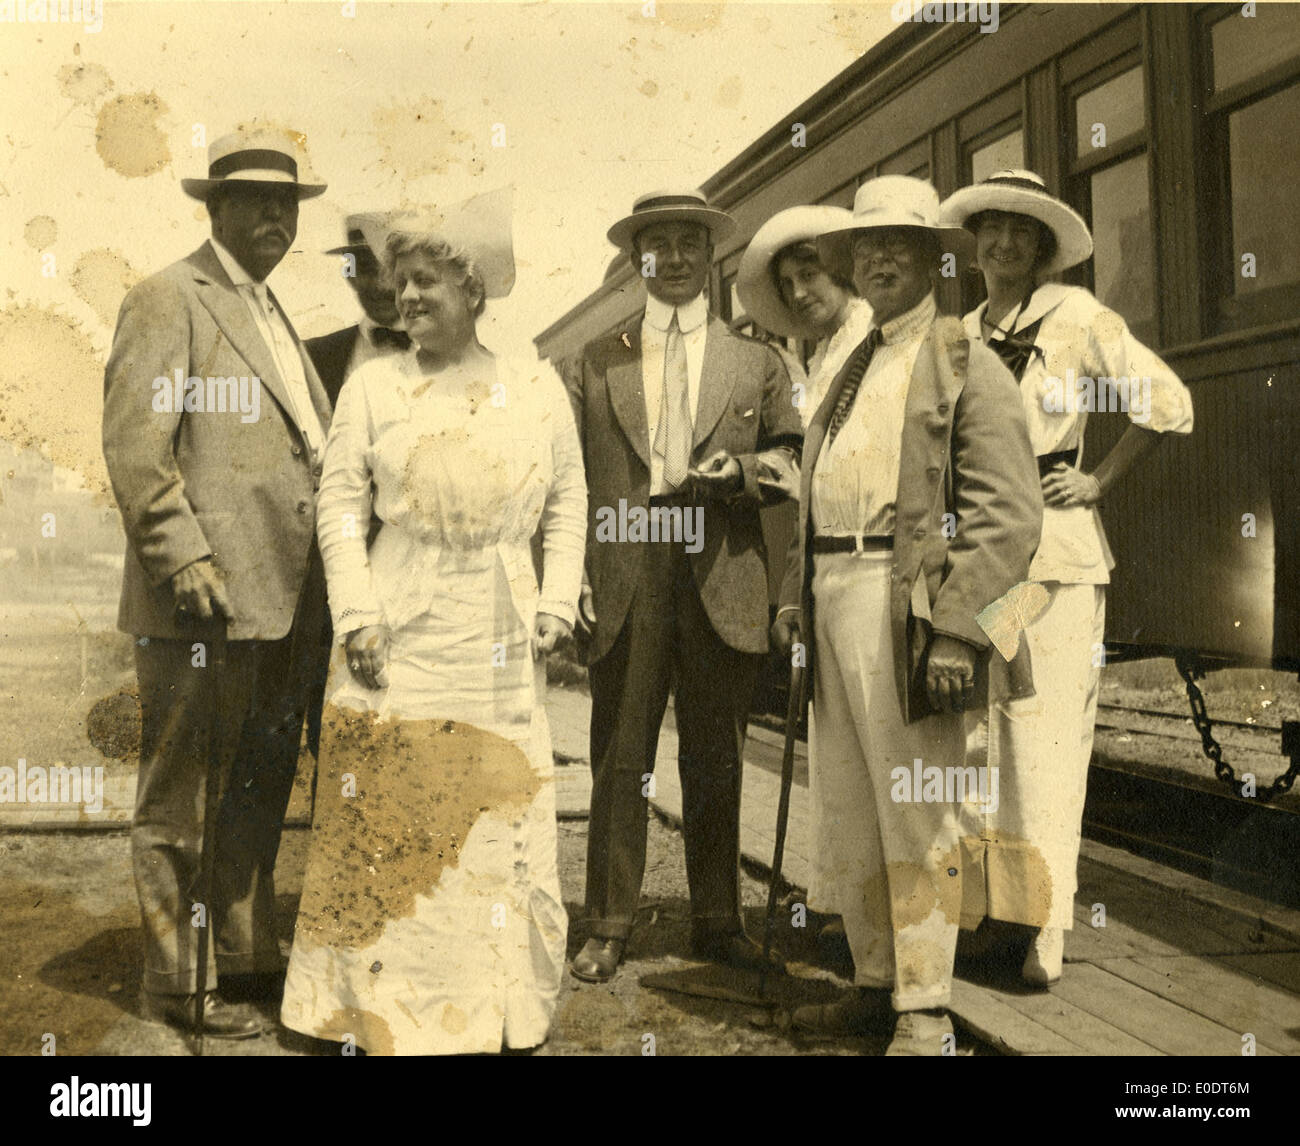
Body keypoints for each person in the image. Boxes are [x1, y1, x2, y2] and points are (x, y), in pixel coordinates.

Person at [279, 186, 587, 1055]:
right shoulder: (376, 387)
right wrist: (359, 619)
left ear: (475, 291)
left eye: (425, 283)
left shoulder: (533, 385)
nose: (406, 297)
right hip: (399, 627)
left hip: (497, 628)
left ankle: (491, 1009)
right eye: (399, 281)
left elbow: (570, 502)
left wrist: (558, 598)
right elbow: (339, 507)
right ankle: (386, 1016)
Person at [770, 175, 1041, 1054]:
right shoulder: (852, 364)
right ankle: (875, 983)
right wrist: (797, 602)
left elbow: (1008, 514)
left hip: (909, 608)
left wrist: (963, 628)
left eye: (900, 244)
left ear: (935, 258)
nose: (880, 259)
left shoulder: (965, 357)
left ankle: (926, 1009)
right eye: (867, 247)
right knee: (851, 808)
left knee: (919, 808)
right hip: (837, 595)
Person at [101, 128, 332, 1039]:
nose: (277, 217)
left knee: (256, 789)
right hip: (200, 601)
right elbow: (135, 447)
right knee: (183, 796)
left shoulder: (274, 314)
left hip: (281, 605)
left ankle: (238, 960)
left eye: (290, 204)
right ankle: (179, 983)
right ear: (214, 209)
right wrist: (182, 555)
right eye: (256, 202)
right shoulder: (169, 298)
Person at [938, 170, 1194, 985]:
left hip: (1054, 557)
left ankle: (1042, 940)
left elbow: (1167, 401)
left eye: (1024, 231)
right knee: (981, 742)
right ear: (975, 244)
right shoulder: (960, 331)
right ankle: (991, 921)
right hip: (982, 553)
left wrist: (1098, 479)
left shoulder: (1079, 316)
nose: (1006, 243)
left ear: (1044, 247)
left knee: (1044, 742)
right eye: (993, 229)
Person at [565, 189, 802, 984]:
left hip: (718, 570)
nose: (672, 258)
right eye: (656, 245)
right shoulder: (599, 359)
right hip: (630, 565)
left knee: (718, 758)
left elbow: (795, 462)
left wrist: (739, 472)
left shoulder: (755, 359)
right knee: (620, 753)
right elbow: (565, 481)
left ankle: (718, 921)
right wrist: (571, 579)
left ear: (712, 258)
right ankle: (607, 922)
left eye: (687, 244)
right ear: (638, 259)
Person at [737, 204, 872, 943]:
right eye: (786, 283)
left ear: (842, 271)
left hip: (875, 576)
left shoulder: (872, 346)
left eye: (809, 272)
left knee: (881, 767)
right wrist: (792, 594)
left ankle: (876, 928)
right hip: (826, 581)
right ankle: (846, 914)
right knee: (839, 761)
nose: (798, 292)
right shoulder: (817, 362)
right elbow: (813, 492)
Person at [305, 213, 411, 405]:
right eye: (366, 269)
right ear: (349, 276)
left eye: (390, 270)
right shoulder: (313, 356)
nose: (380, 285)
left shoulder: (456, 350)